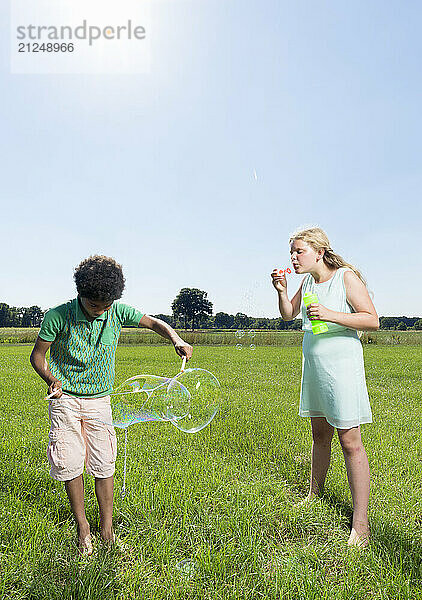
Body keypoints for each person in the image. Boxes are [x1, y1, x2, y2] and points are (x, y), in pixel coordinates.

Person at [30, 255, 193, 555]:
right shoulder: (58, 316)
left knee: (104, 463)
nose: (101, 310)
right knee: (69, 463)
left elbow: (154, 323)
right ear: (81, 292)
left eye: (106, 304)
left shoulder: (116, 311)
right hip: (64, 399)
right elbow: (37, 356)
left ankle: (107, 528)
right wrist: (51, 379)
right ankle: (83, 526)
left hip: (100, 400)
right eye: (95, 304)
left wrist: (175, 338)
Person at [271, 227, 379, 547]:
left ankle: (361, 523)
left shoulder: (345, 277)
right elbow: (289, 314)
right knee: (320, 435)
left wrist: (330, 314)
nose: (293, 256)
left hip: (342, 368)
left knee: (350, 441)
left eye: (299, 251)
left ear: (319, 252)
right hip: (315, 367)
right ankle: (314, 495)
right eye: (291, 251)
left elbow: (371, 319)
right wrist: (281, 290)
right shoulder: (305, 282)